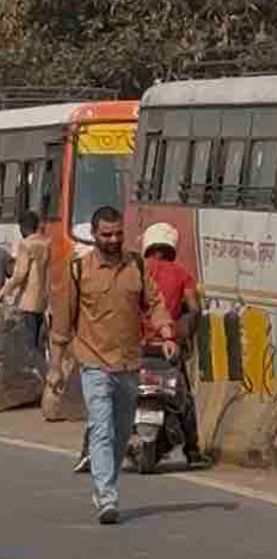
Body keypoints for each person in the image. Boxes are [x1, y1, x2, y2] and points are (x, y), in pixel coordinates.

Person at [48, 206, 176, 524]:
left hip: (129, 363)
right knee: (102, 429)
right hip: (93, 361)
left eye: (118, 233)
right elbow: (63, 321)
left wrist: (166, 332)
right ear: (94, 236)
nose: (113, 239)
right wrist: (56, 366)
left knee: (121, 432)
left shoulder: (137, 267)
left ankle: (106, 483)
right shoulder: (78, 269)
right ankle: (107, 496)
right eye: (106, 234)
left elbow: (155, 302)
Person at [73, 221, 210, 473]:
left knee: (105, 396)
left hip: (129, 347)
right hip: (165, 347)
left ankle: (87, 451)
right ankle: (193, 452)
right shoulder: (182, 274)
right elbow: (194, 309)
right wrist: (182, 337)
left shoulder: (135, 268)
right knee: (185, 397)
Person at [0, 211, 50, 348]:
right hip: (42, 301)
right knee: (37, 343)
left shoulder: (26, 245)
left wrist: (3, 292)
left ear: (23, 227)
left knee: (28, 343)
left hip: (28, 301)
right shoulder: (45, 243)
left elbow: (19, 274)